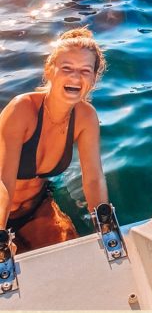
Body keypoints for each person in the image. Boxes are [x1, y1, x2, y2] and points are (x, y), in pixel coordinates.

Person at [0, 27, 109, 254]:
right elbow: (3, 182)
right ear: (50, 70)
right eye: (66, 68)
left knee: (69, 256)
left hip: (35, 208)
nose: (75, 77)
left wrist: (105, 227)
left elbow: (93, 178)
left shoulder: (86, 117)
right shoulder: (22, 109)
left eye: (85, 71)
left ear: (94, 78)